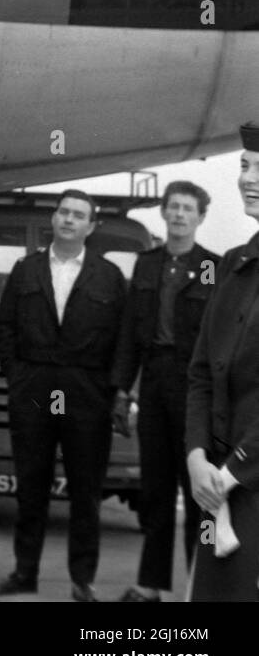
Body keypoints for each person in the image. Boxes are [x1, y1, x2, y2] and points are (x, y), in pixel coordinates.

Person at [0, 190, 126, 602]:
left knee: (86, 491)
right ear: (54, 219)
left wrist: (112, 392)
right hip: (34, 389)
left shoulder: (109, 276)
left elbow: (122, 340)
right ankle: (24, 573)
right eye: (64, 212)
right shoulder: (25, 270)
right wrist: (18, 379)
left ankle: (82, 581)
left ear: (91, 226)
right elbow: (5, 328)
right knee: (31, 485)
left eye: (78, 215)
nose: (69, 219)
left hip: (86, 394)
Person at [111, 181, 218, 601]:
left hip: (194, 387)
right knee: (155, 489)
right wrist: (121, 389)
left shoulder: (212, 266)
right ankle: (150, 585)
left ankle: (202, 585)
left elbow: (220, 332)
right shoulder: (146, 264)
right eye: (173, 207)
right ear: (164, 213)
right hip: (153, 381)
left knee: (198, 492)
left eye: (187, 209)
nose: (178, 215)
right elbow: (129, 334)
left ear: (200, 217)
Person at [186, 123, 259, 601]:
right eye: (245, 165)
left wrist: (231, 471)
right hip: (221, 489)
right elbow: (199, 375)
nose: (248, 177)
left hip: (242, 481)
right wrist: (195, 457)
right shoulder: (235, 265)